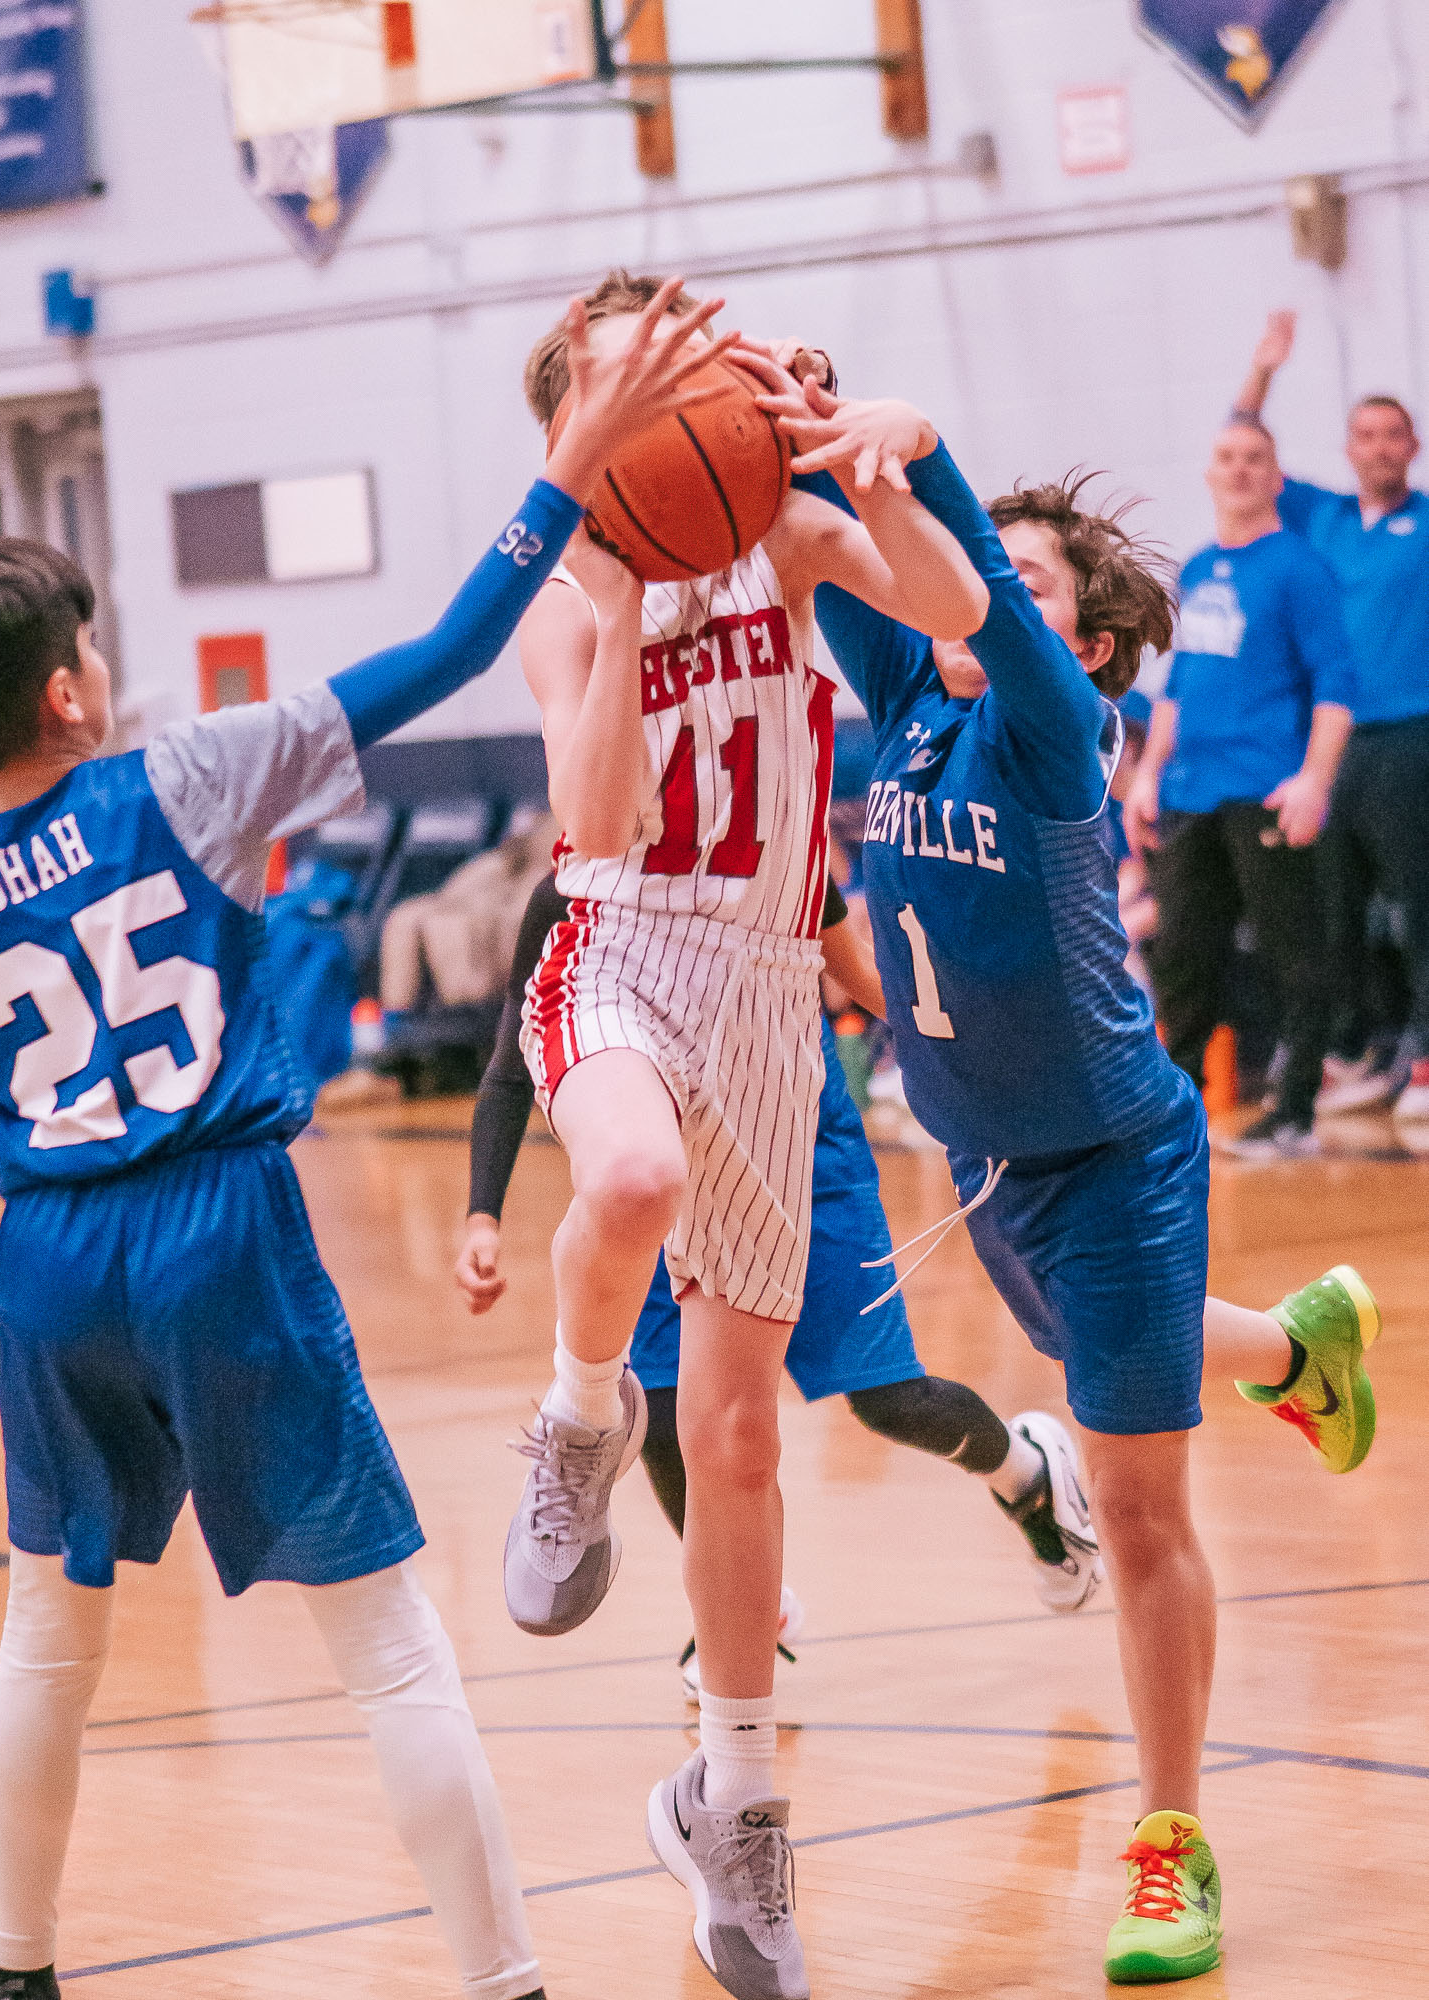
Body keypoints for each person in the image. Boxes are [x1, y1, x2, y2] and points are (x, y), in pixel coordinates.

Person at [0, 279, 723, 2000]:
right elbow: (446, 656)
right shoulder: (187, 777)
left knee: (48, 1637)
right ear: (69, 694)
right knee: (384, 1638)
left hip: (46, 1259)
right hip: (213, 1227)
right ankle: (503, 1982)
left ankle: (13, 1972)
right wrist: (574, 460)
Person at [749, 360, 1381, 1985]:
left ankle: (1173, 1846)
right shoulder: (908, 695)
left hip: (1115, 1163)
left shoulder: (1054, 725)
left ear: (1083, 641)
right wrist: (798, 413)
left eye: (1036, 585)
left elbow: (975, 587)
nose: (991, 595)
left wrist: (929, 457)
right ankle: (1297, 1349)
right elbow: (824, 537)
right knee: (1117, 1365)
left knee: (1138, 1501)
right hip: (989, 1161)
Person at [506, 272, 990, 2000]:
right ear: (582, 428)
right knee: (631, 1176)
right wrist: (626, 601)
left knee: (739, 1444)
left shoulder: (781, 528)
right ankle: (576, 1416)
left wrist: (875, 458)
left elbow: (956, 612)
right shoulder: (565, 598)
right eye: (640, 383)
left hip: (773, 992)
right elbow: (593, 823)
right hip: (621, 948)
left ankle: (737, 1801)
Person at [458, 868, 1106, 1691]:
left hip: (799, 1137)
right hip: (659, 1147)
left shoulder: (776, 849)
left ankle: (1026, 1474)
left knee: (887, 1398)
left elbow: (861, 974)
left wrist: (984, 1050)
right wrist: (482, 1215)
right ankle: (742, 1611)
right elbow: (512, 1064)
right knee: (665, 1409)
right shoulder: (571, 890)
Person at [1122, 416, 1354, 1158]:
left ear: (1277, 477)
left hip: (1266, 789)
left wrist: (1314, 780)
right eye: (1227, 457)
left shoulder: (1300, 567)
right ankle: (1176, 1117)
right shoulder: (1197, 568)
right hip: (1189, 792)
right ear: (1210, 472)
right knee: (1184, 955)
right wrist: (1147, 775)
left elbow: (1336, 684)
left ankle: (1295, 1113)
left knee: (1294, 954)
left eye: (1256, 458)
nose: (1240, 469)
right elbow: (1178, 684)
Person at [1234, 311, 1429, 1125]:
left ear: (1412, 447)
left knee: (1416, 904)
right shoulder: (1322, 517)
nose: (1379, 447)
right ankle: (1355, 1049)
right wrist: (1264, 370)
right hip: (1329, 747)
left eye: (1393, 435)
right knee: (1332, 911)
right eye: (1366, 435)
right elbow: (1244, 444)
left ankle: (1424, 1058)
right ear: (1349, 449)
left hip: (1409, 739)